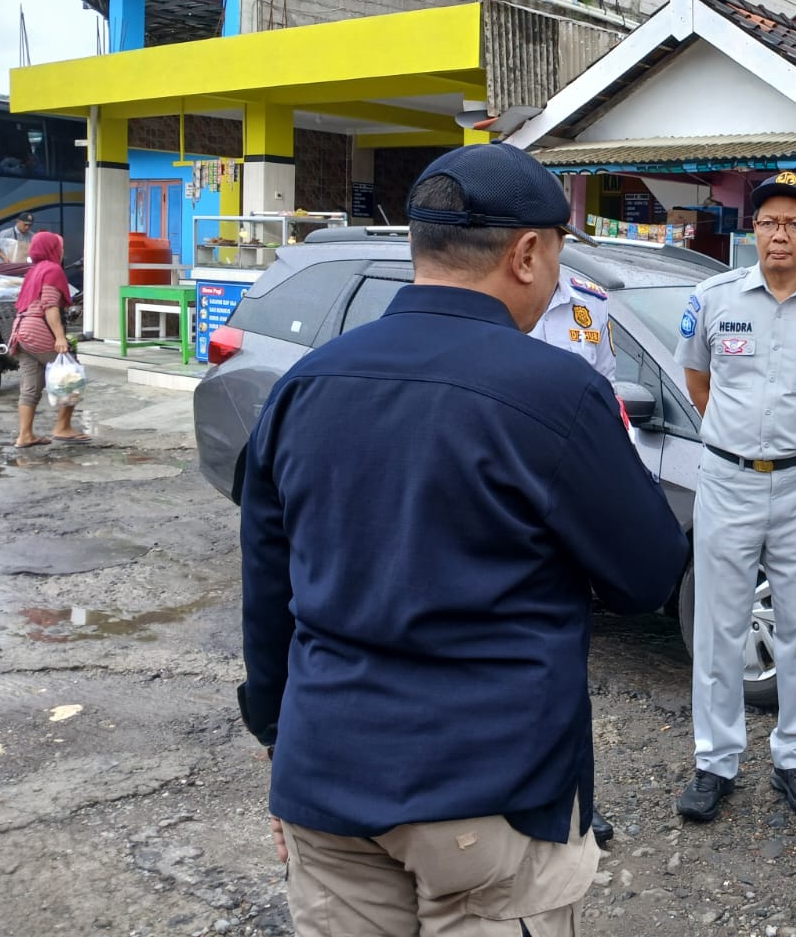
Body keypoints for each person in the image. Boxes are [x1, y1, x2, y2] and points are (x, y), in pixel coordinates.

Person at [238, 143, 687, 937]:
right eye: (554, 256)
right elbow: (647, 573)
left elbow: (268, 587)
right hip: (487, 790)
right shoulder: (555, 392)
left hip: (325, 770)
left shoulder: (305, 384)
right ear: (525, 253)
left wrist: (282, 737)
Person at [674, 171, 796, 823]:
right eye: (768, 222)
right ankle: (715, 761)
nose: (779, 233)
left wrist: (787, 446)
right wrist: (740, 443)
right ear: (752, 231)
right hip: (727, 478)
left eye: (794, 223)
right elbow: (698, 383)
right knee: (719, 621)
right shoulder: (711, 298)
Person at [527, 257, 619, 846]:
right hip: (494, 499)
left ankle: (577, 799)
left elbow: (604, 398)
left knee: (566, 655)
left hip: (564, 505)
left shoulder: (591, 303)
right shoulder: (481, 291)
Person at [9, 231, 88, 448]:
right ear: (52, 249)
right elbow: (50, 306)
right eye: (59, 247)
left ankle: (25, 435)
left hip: (21, 330)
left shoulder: (34, 270)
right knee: (71, 375)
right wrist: (60, 337)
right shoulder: (52, 270)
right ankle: (62, 428)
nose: (62, 251)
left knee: (30, 386)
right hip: (38, 329)